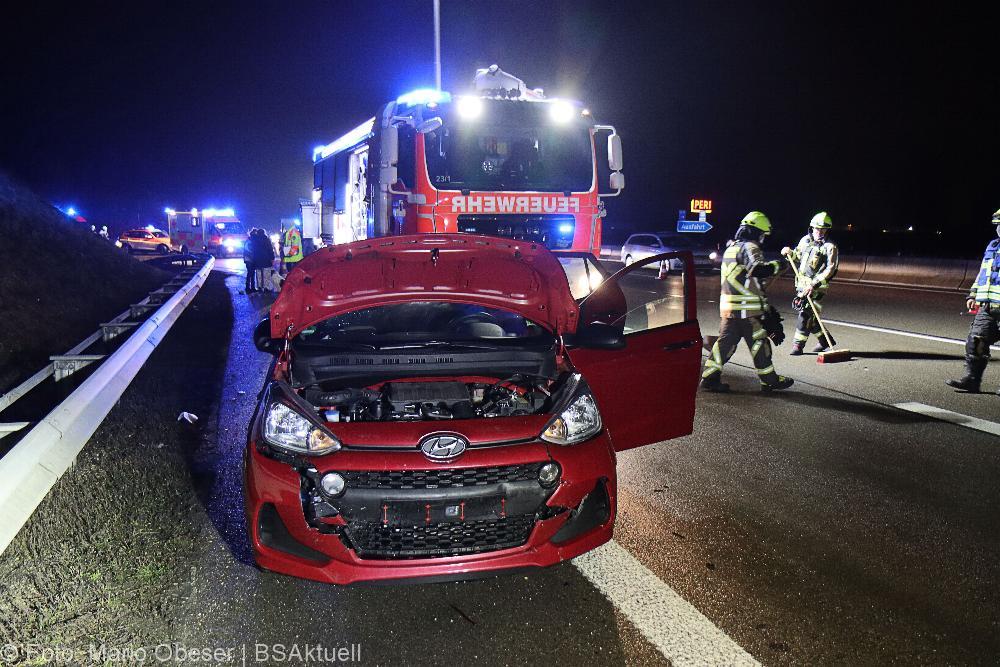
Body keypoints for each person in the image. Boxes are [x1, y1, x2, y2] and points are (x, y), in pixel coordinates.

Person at [701, 211, 794, 392]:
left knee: (724, 344)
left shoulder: (731, 249)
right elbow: (758, 269)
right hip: (747, 312)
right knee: (760, 343)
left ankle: (709, 378)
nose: (762, 239)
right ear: (754, 232)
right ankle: (769, 380)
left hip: (729, 309)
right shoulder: (749, 247)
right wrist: (778, 265)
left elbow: (747, 278)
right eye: (761, 234)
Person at [946, 208, 1000, 394]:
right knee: (976, 341)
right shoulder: (993, 246)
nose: (999, 228)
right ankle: (972, 380)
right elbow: (983, 274)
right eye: (998, 225)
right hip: (988, 307)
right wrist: (973, 294)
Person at [781, 212, 840, 355]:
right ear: (811, 228)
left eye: (823, 230)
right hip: (801, 285)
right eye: (817, 229)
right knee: (811, 315)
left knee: (805, 313)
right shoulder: (805, 241)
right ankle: (826, 340)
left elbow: (831, 269)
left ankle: (798, 345)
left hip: (817, 288)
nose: (820, 232)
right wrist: (789, 253)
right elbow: (798, 256)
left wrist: (814, 284)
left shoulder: (830, 247)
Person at [243, 228, 258, 292]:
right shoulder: (249, 241)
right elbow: (248, 250)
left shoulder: (250, 240)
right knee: (250, 273)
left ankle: (252, 287)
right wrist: (253, 256)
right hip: (249, 259)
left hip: (250, 259)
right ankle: (248, 287)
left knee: (251, 273)